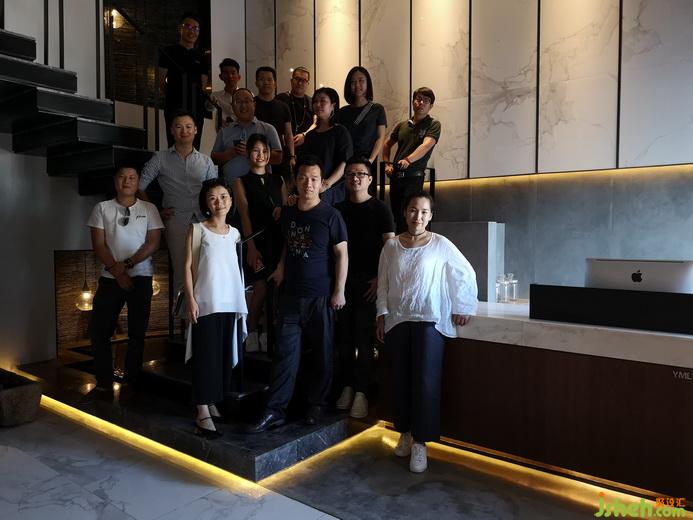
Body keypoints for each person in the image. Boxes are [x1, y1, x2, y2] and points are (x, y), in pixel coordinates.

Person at [376, 192, 477, 473]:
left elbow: (464, 273)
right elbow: (383, 283)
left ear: (430, 216)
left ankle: (421, 443)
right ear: (404, 212)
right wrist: (381, 314)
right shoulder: (391, 246)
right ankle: (405, 432)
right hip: (397, 320)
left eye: (423, 212)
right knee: (400, 379)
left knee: (426, 381)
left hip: (430, 320)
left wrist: (462, 305)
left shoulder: (441, 244)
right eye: (412, 210)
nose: (417, 216)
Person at [246, 155, 348, 433]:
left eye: (314, 179)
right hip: (290, 296)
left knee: (323, 354)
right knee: (285, 355)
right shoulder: (288, 212)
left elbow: (342, 254)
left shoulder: (331, 215)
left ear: (322, 183)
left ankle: (317, 404)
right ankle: (274, 410)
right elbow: (288, 245)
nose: (308, 184)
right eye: (303, 178)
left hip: (321, 296)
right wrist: (280, 267)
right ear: (295, 181)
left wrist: (339, 291)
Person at [88, 167, 164, 394]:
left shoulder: (149, 209)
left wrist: (128, 264)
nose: (127, 181)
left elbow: (153, 242)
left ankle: (132, 380)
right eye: (122, 177)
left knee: (137, 333)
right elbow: (99, 245)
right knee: (100, 331)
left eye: (132, 177)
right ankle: (103, 382)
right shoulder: (102, 208)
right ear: (115, 181)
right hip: (110, 278)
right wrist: (118, 272)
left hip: (141, 277)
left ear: (138, 181)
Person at [184, 178, 247, 438]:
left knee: (221, 357)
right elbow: (187, 266)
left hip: (230, 302)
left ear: (231, 200)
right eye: (213, 198)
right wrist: (190, 299)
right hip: (205, 302)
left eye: (223, 196)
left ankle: (211, 401)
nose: (219, 202)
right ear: (206, 204)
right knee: (205, 357)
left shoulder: (235, 233)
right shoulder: (197, 229)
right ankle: (201, 410)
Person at [334, 156, 394, 418]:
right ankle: (347, 386)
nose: (355, 178)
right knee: (344, 339)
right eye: (350, 174)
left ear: (369, 179)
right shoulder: (337, 209)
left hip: (370, 283)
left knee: (364, 338)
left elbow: (390, 248)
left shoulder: (381, 209)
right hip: (342, 283)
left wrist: (381, 279)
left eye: (360, 174)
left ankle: (362, 392)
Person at [139, 110, 217, 300]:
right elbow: (139, 187)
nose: (184, 131)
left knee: (207, 271)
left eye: (188, 127)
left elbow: (215, 191)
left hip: (204, 221)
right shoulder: (160, 158)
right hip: (176, 221)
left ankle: (202, 314)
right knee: (182, 271)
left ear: (195, 130)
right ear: (172, 130)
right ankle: (182, 315)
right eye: (179, 127)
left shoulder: (205, 160)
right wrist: (155, 212)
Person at [234, 134, 288, 352]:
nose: (261, 155)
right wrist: (251, 247)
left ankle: (267, 333)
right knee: (260, 287)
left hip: (277, 240)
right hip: (255, 240)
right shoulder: (240, 181)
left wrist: (282, 211)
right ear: (248, 154)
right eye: (256, 150)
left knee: (274, 289)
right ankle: (251, 330)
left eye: (265, 151)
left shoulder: (279, 180)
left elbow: (286, 210)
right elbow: (244, 215)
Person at [382, 87, 441, 233]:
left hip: (414, 177)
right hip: (396, 177)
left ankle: (412, 244)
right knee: (397, 215)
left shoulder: (433, 124)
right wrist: (387, 164)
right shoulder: (402, 125)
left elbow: (426, 145)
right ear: (413, 102)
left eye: (426, 100)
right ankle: (399, 244)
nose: (421, 103)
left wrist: (408, 160)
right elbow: (386, 145)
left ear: (431, 105)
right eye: (418, 99)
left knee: (412, 215)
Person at [159, 12, 209, 150]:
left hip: (196, 107)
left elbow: (203, 85)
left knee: (195, 145)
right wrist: (173, 95)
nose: (192, 31)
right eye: (188, 26)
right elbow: (161, 81)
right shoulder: (168, 51)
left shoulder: (202, 57)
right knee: (174, 143)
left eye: (196, 28)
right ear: (180, 28)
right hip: (174, 105)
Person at [210, 88, 282, 184]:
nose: (243, 106)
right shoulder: (224, 131)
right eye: (238, 102)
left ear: (254, 104)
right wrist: (229, 154)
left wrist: (252, 152)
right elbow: (214, 158)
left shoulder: (267, 129)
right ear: (232, 106)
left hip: (260, 186)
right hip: (230, 187)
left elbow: (278, 158)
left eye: (247, 101)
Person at [298, 87, 353, 206]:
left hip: (333, 189)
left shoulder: (340, 131)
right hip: (311, 189)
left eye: (322, 101)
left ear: (333, 105)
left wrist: (327, 184)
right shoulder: (310, 135)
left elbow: (344, 162)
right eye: (315, 101)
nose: (318, 105)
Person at [337, 67, 387, 186]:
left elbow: (380, 137)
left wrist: (370, 161)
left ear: (367, 83)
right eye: (353, 82)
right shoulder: (342, 112)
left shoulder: (377, 109)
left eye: (361, 81)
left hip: (367, 163)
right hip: (346, 164)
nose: (357, 85)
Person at [255, 66, 296, 179]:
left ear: (275, 83)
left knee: (281, 185)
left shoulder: (283, 106)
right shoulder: (251, 105)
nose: (266, 82)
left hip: (279, 154)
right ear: (256, 83)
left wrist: (292, 156)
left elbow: (288, 134)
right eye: (262, 79)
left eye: (269, 79)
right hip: (257, 156)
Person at [276, 66, 316, 149]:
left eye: (304, 80)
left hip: (307, 146)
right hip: (283, 146)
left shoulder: (312, 102)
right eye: (297, 79)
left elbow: (317, 122)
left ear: (307, 84)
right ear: (291, 81)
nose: (300, 83)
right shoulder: (281, 99)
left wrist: (304, 135)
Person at [209, 58, 241, 127]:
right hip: (221, 131)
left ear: (239, 76)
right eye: (226, 73)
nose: (230, 76)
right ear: (220, 77)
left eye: (233, 73)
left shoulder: (247, 96)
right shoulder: (215, 96)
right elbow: (209, 112)